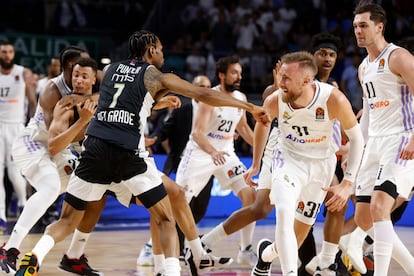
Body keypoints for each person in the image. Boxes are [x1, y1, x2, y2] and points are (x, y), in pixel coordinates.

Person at [15, 30, 268, 276]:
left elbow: (119, 97)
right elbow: (203, 93)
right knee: (165, 218)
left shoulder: (111, 70)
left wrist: (156, 103)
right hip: (128, 156)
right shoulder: (155, 75)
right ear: (151, 51)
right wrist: (249, 106)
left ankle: (35, 255)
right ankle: (171, 268)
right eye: (160, 49)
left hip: (94, 153)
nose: (163, 54)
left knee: (67, 219)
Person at [247, 51, 365, 276]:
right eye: (281, 76)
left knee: (296, 237)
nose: (280, 83)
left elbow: (357, 138)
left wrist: (348, 182)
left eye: (286, 79)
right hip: (288, 160)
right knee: (283, 212)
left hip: (321, 166)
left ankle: (266, 254)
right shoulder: (275, 100)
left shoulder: (333, 99)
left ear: (307, 81)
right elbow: (262, 124)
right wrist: (255, 163)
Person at [176, 55, 258, 268]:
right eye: (234, 73)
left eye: (240, 73)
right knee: (178, 201)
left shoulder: (240, 97)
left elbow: (244, 130)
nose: (239, 77)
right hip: (201, 153)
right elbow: (197, 133)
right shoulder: (209, 97)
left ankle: (246, 249)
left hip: (226, 154)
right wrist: (212, 152)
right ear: (221, 75)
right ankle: (152, 247)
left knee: (251, 196)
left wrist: (262, 149)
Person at [350, 2, 414, 275]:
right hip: (375, 142)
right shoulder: (364, 67)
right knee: (363, 217)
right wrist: (356, 146)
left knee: (379, 207)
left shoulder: (398, 57)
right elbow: (368, 114)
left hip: (401, 138)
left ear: (379, 27)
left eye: (363, 25)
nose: (358, 31)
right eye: (355, 26)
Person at [137, 75, 215, 266]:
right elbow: (166, 127)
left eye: (207, 86)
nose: (204, 89)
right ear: (193, 89)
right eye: (200, 86)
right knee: (170, 208)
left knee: (199, 210)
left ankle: (185, 247)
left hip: (204, 165)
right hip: (180, 164)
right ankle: (154, 248)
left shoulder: (214, 109)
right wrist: (154, 138)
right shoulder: (185, 108)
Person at [0, 41, 37, 235]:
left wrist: (30, 129)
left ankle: (23, 203)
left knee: (15, 173)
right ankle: (1, 218)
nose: (7, 55)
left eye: (10, 51)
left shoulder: (24, 73)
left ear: (13, 54)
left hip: (16, 127)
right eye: (4, 51)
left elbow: (32, 102)